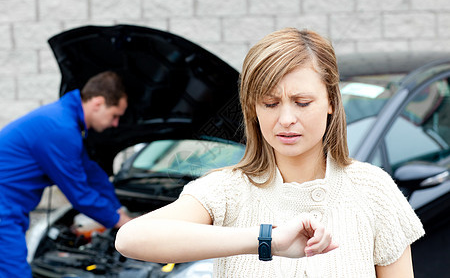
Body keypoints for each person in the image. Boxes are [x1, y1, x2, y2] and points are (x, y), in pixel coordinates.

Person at [115, 28, 425, 277]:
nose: (286, 118)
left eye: (302, 102)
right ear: (252, 108)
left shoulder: (373, 190)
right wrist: (267, 241)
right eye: (270, 103)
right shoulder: (227, 190)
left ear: (331, 101)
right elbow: (131, 238)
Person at [0, 71, 132, 277]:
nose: (115, 124)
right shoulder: (60, 129)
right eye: (115, 115)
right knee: (14, 273)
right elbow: (79, 193)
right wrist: (118, 221)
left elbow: (91, 173)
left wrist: (118, 208)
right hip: (3, 209)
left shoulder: (64, 119)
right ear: (98, 103)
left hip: (9, 207)